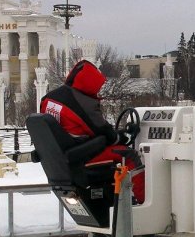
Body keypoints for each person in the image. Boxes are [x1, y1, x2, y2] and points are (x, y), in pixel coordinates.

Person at [39, 60, 145, 203]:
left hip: (61, 157)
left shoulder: (49, 98)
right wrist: (124, 135)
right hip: (80, 157)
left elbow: (83, 130)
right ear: (90, 84)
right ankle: (144, 202)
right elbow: (106, 133)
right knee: (130, 156)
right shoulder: (83, 103)